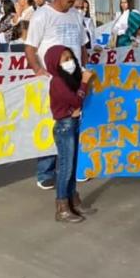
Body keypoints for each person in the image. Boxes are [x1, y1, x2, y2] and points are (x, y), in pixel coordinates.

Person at [25, 0, 88, 190]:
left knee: (75, 124)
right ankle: (46, 172)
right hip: (53, 81)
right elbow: (30, 48)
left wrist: (84, 67)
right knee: (53, 125)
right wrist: (38, 69)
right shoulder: (42, 16)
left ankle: (75, 168)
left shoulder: (76, 16)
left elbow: (82, 46)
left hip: (75, 77)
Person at [45, 45, 95, 223]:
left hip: (73, 123)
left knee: (73, 165)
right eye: (65, 59)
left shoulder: (67, 79)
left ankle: (73, 200)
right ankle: (62, 207)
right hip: (65, 126)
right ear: (54, 63)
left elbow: (77, 101)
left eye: (71, 58)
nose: (70, 62)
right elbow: (75, 99)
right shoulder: (57, 81)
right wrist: (84, 82)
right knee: (65, 167)